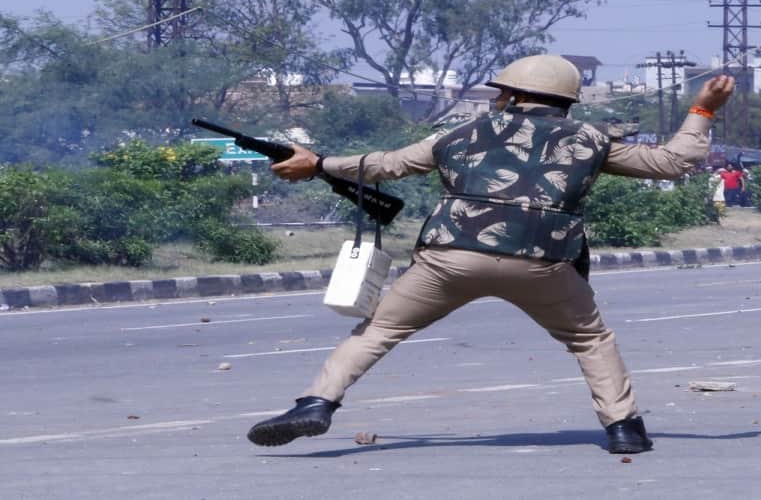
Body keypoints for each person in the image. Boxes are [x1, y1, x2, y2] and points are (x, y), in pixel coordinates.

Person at [251, 55, 735, 455]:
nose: (496, 99)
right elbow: (673, 163)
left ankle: (316, 403)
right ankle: (624, 428)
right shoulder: (591, 140)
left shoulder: (460, 133)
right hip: (542, 263)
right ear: (566, 100)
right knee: (590, 340)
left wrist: (318, 164)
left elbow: (386, 165)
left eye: (500, 92)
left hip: (449, 258)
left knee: (378, 331)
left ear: (513, 95)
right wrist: (703, 109)